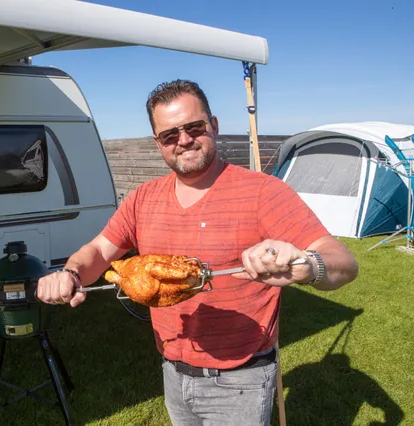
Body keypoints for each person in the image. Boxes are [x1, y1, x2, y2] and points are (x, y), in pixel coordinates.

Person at [36, 79, 359, 425]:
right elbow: (100, 250)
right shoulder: (143, 199)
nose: (184, 140)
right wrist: (70, 272)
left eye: (194, 127)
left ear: (214, 126)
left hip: (241, 379)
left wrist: (308, 265)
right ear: (158, 142)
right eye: (169, 135)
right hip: (173, 370)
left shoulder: (263, 192)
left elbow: (344, 262)